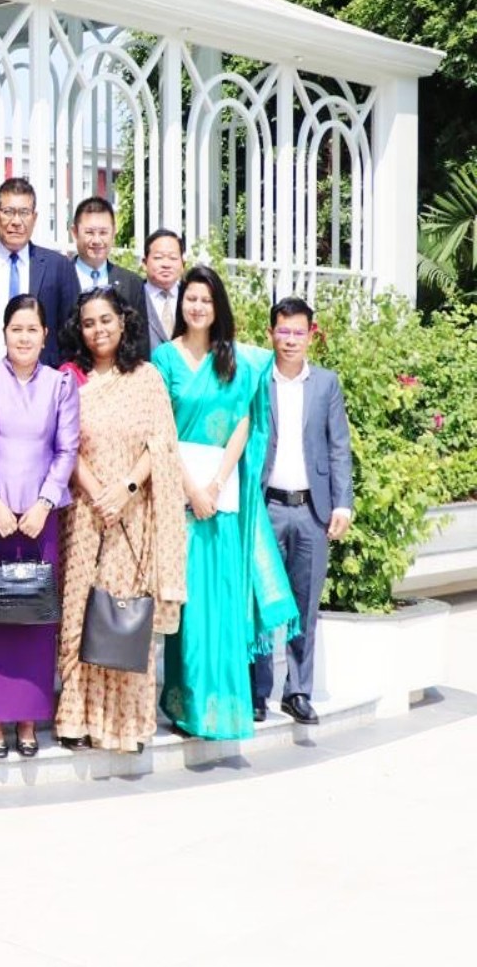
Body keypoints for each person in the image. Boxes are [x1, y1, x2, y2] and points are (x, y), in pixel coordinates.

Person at [152, 266, 299, 741]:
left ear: (218, 308)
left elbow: (242, 423)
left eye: (206, 300)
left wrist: (215, 483)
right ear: (181, 305)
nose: (197, 307)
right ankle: (189, 706)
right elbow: (162, 432)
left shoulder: (237, 360)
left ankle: (226, 707)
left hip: (224, 492)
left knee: (224, 602)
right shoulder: (164, 358)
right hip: (179, 493)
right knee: (189, 606)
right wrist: (192, 489)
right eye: (190, 299)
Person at [54, 288, 188, 753]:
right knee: (79, 614)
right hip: (86, 517)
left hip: (133, 518)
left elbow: (162, 443)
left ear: (124, 323)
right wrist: (98, 495)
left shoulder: (146, 378)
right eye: (89, 323)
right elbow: (63, 445)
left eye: (106, 320)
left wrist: (126, 490)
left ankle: (125, 725)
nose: (98, 330)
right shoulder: (71, 381)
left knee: (124, 618)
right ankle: (75, 718)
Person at [0, 296, 79, 757]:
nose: (25, 338)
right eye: (16, 329)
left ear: (45, 335)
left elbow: (66, 449)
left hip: (39, 520)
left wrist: (44, 503)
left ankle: (28, 718)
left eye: (33, 329)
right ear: (4, 334)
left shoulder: (60, 385)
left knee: (33, 616)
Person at [254, 296, 354, 725]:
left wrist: (342, 503)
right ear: (271, 333)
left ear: (310, 335)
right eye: (283, 331)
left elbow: (338, 447)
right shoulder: (259, 380)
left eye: (298, 332)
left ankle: (296, 691)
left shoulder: (325, 383)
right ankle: (256, 692)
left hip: (311, 509)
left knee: (304, 605)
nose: (290, 340)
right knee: (258, 601)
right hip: (266, 506)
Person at [0, 178, 78, 366]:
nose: (16, 221)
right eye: (8, 212)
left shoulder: (58, 266)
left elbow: (71, 332)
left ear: (34, 218)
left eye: (24, 213)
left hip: (42, 385)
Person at [68, 196, 145, 315]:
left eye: (103, 233)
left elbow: (139, 331)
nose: (97, 240)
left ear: (114, 232)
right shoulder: (58, 279)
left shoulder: (132, 283)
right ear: (75, 233)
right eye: (89, 232)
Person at [141, 228, 185, 352]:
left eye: (173, 258)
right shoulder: (134, 296)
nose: (166, 264)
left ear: (183, 265)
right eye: (158, 257)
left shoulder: (190, 298)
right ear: (144, 263)